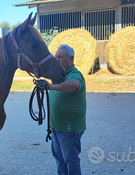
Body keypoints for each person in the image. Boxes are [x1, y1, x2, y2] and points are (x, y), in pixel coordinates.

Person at [43, 44, 86, 175]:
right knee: (60, 159)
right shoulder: (58, 75)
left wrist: (52, 86)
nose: (57, 60)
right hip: (56, 127)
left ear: (71, 59)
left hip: (69, 129)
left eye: (61, 57)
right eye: (56, 57)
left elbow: (74, 84)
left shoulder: (74, 74)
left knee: (70, 160)